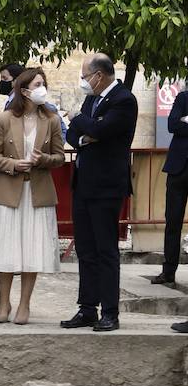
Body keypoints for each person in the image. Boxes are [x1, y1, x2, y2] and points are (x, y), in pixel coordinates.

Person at [61, 54, 137, 333]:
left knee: (105, 250)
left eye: (85, 76)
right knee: (86, 249)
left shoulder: (123, 99)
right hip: (83, 183)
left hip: (106, 187)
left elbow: (101, 129)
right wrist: (85, 135)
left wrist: (82, 122)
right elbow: (73, 136)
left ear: (99, 75)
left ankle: (110, 312)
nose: (84, 82)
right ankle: (87, 308)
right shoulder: (92, 99)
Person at [0, 68, 65, 324]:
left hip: (38, 191)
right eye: (37, 84)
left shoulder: (51, 120)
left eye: (44, 83)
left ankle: (24, 304)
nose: (42, 88)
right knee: (5, 248)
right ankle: (3, 303)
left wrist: (43, 160)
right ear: (24, 89)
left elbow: (60, 157)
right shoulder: (5, 118)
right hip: (9, 190)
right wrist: (12, 165)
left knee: (33, 249)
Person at [152, 84, 188, 289]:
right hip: (178, 169)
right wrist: (182, 121)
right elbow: (172, 124)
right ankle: (168, 271)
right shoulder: (183, 98)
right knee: (172, 222)